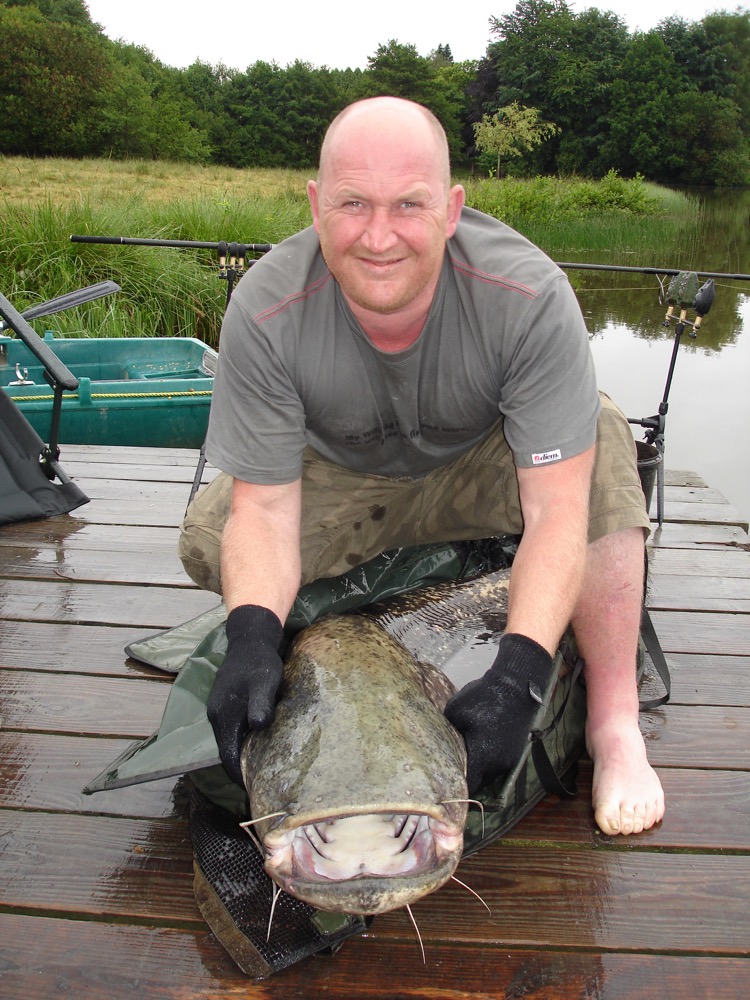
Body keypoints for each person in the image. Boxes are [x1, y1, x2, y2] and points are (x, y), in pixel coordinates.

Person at [179, 96, 665, 837]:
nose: (379, 237)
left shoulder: (530, 297)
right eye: (353, 204)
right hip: (346, 474)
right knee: (210, 535)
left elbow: (557, 511)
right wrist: (249, 638)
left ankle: (614, 719)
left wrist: (519, 675)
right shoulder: (266, 307)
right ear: (315, 206)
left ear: (451, 207)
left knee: (599, 445)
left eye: (409, 204)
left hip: (484, 461)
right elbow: (266, 509)